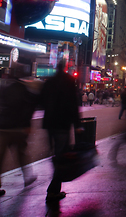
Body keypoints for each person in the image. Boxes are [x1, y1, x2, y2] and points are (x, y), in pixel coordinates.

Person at [41, 60, 82, 202]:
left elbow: (42, 101)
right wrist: (77, 123)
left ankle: (53, 187)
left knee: (56, 154)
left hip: (49, 123)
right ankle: (53, 190)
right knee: (61, 156)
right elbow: (73, 103)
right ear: (65, 67)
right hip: (62, 123)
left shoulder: (49, 81)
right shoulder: (69, 81)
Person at [0, 67, 38, 196]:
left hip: (4, 127)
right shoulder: (24, 90)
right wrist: (26, 125)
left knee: (0, 156)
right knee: (21, 153)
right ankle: (28, 177)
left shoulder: (5, 89)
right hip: (17, 128)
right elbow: (28, 109)